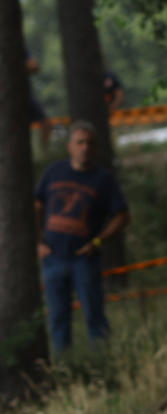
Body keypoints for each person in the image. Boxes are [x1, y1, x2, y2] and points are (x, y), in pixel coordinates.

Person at [33, 120, 130, 353]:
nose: (85, 147)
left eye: (89, 143)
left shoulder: (103, 179)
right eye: (80, 142)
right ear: (70, 146)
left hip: (84, 259)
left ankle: (102, 362)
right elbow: (36, 205)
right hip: (53, 257)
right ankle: (64, 366)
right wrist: (38, 242)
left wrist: (97, 242)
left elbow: (122, 215)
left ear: (95, 147)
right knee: (57, 318)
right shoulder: (54, 172)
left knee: (94, 315)